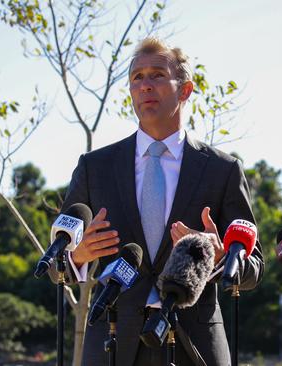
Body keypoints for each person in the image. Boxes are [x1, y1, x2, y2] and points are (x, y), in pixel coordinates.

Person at [58, 37, 264, 366]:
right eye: (137, 78)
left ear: (185, 90)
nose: (145, 85)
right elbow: (58, 261)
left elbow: (254, 268)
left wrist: (224, 255)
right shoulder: (94, 168)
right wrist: (78, 256)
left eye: (156, 75)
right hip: (112, 343)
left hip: (196, 346)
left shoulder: (223, 169)